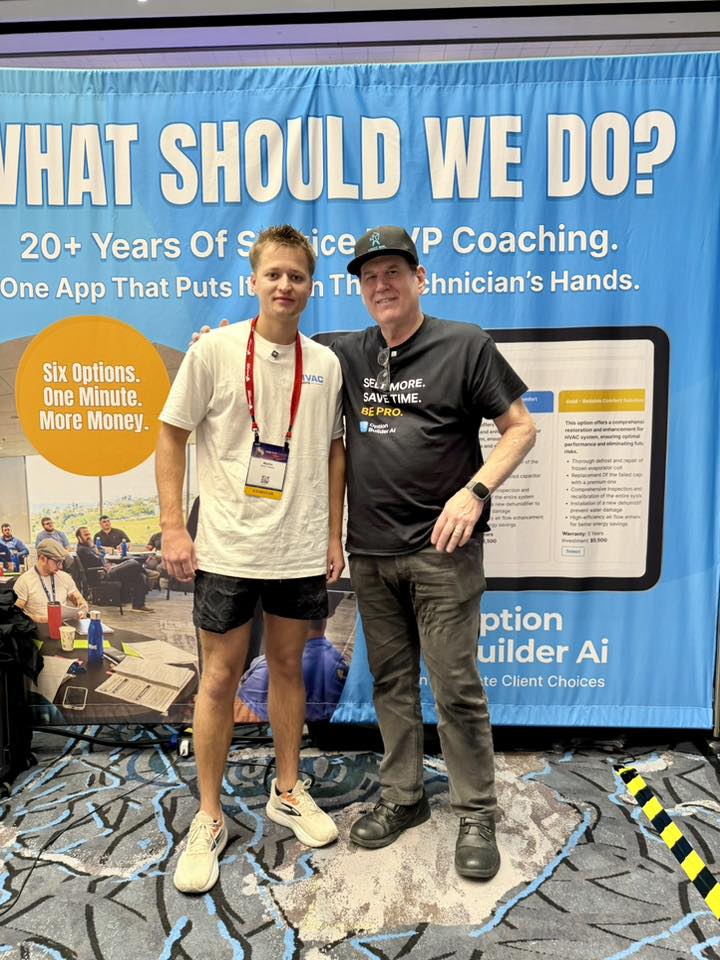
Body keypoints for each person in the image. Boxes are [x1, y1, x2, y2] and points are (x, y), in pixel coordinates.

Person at [332, 226, 537, 880]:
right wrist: (223, 345)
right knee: (390, 683)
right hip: (371, 552)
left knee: (455, 686)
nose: (381, 286)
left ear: (421, 278)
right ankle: (403, 797)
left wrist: (474, 493)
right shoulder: (347, 352)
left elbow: (521, 428)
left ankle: (475, 810)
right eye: (370, 277)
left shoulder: (465, 344)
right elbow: (277, 353)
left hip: (443, 552)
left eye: (393, 272)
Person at [156, 224, 345, 895]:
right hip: (227, 547)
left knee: (289, 667)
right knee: (219, 678)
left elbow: (334, 451)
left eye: (297, 276)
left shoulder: (326, 364)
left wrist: (333, 534)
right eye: (274, 274)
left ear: (310, 286)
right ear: (254, 280)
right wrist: (173, 527)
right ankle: (208, 816)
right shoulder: (213, 351)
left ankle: (287, 790)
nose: (285, 286)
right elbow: (171, 436)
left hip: (298, 548)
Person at [75, 527, 153, 612]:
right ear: (79, 537)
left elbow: (101, 556)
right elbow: (99, 561)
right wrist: (95, 548)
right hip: (103, 574)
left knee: (138, 575)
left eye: (89, 534)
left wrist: (96, 549)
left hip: (108, 569)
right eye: (86, 535)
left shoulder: (88, 547)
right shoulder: (83, 550)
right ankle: (148, 573)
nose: (89, 537)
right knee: (133, 562)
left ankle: (138, 605)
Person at [13, 539, 89, 623]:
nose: (60, 567)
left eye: (62, 562)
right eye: (57, 562)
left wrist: (83, 611)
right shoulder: (25, 581)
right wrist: (42, 620)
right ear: (42, 559)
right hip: (36, 627)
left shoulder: (64, 577)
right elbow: (14, 613)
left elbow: (81, 602)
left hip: (63, 627)